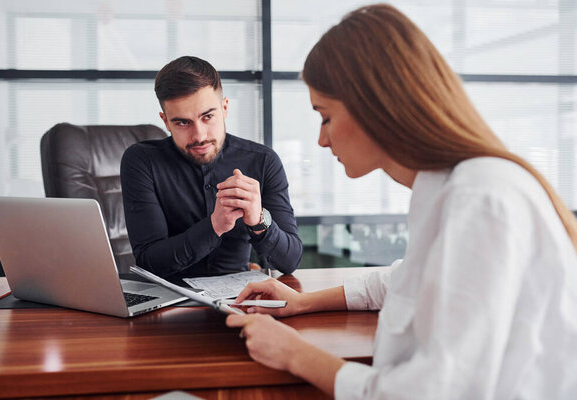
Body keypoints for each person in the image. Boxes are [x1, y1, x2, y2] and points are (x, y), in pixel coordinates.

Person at [226, 4, 577, 399]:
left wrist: (295, 354)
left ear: (374, 106)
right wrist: (303, 303)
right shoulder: (443, 187)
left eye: (324, 117)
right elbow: (405, 280)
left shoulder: (481, 197)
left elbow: (434, 392)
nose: (321, 140)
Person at [121, 56, 302, 280]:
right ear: (165, 121)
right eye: (182, 122)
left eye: (208, 117)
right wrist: (215, 225)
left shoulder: (263, 161)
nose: (199, 136)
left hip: (241, 303)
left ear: (224, 107)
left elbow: (290, 261)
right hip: (166, 304)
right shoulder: (142, 162)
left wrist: (258, 220)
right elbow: (149, 263)